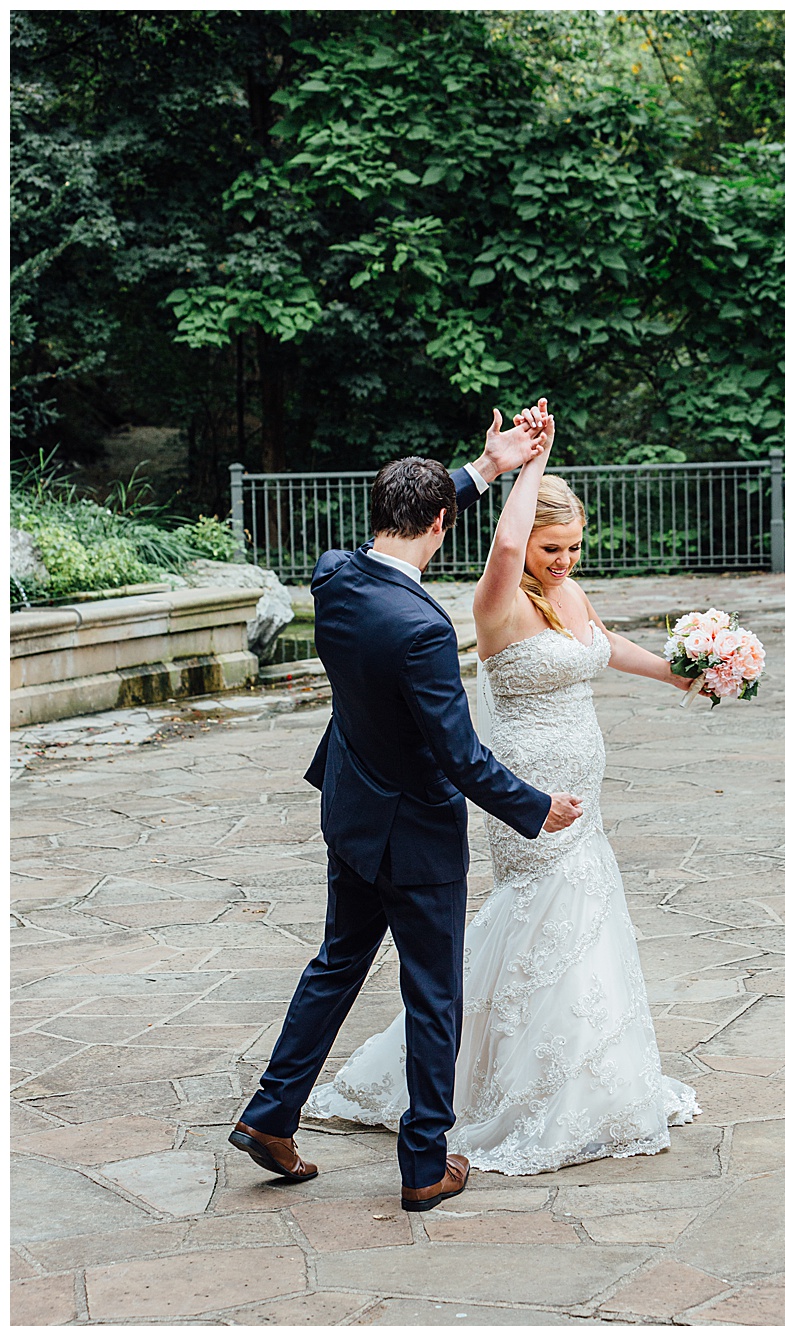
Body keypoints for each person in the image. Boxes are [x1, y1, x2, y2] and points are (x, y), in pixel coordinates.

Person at [306, 401, 702, 1174]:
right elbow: (510, 538)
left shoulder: (566, 593)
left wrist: (681, 673)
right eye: (553, 547)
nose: (563, 559)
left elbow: (601, 644)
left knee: (583, 929)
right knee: (529, 926)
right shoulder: (496, 597)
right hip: (526, 789)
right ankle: (500, 1098)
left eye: (575, 547)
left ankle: (595, 1079)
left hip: (583, 797)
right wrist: (529, 464)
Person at [232, 409, 581, 1212]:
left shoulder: (333, 574)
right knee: (433, 993)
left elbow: (425, 506)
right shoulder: (422, 629)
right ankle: (425, 1162)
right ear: (439, 525)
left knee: (337, 963)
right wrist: (535, 806)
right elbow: (458, 757)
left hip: (352, 813)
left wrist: (488, 467)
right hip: (414, 835)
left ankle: (270, 1114)